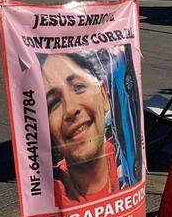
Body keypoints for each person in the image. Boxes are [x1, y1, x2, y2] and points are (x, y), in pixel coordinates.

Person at [41, 52, 122, 208]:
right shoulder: (49, 195)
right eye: (54, 103)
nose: (70, 109)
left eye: (78, 87)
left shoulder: (127, 160)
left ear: (104, 95)